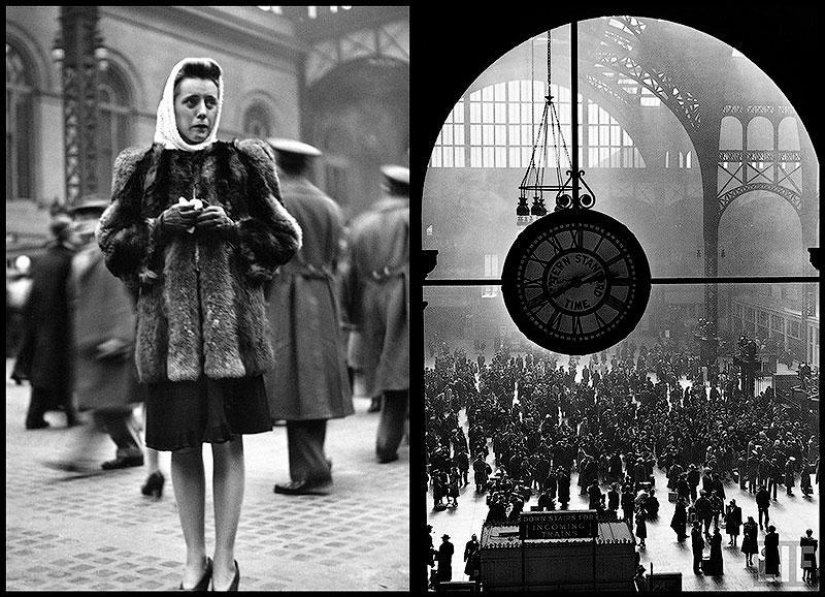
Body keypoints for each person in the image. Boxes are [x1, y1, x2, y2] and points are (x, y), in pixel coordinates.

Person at [97, 57, 301, 591]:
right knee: (183, 447)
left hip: (234, 339)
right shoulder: (141, 167)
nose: (203, 112)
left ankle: (227, 560)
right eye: (192, 101)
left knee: (227, 444)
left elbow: (286, 240)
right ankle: (194, 560)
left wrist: (233, 230)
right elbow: (112, 246)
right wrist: (158, 227)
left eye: (211, 101)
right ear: (172, 103)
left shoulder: (244, 163)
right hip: (168, 341)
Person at [264, 138, 353, 496]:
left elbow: (265, 251)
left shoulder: (275, 201)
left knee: (295, 382)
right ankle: (316, 459)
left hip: (287, 294)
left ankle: (309, 471)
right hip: (323, 294)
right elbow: (335, 256)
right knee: (316, 383)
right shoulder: (329, 205)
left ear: (278, 163)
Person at [46, 197, 145, 472]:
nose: (81, 226)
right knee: (105, 407)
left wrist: (122, 338)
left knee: (103, 407)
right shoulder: (83, 257)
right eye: (78, 220)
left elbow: (123, 300)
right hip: (90, 345)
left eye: (89, 219)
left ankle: (78, 458)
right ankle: (130, 448)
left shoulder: (111, 256)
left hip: (108, 345)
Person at [342, 165, 409, 463]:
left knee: (387, 369)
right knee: (402, 369)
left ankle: (388, 440)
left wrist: (353, 313)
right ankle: (388, 442)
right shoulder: (411, 218)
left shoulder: (362, 223)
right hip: (403, 299)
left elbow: (349, 274)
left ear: (386, 189)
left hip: (371, 301)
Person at [16, 213, 79, 429]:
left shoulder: (44, 259)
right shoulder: (69, 259)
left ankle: (37, 415)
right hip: (62, 323)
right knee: (63, 369)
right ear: (67, 234)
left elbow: (34, 296)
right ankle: (68, 413)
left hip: (42, 323)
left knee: (45, 370)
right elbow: (71, 294)